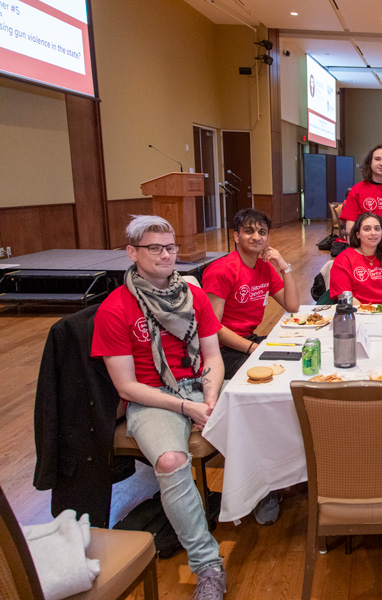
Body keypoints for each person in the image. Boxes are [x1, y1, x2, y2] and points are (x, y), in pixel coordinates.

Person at [91, 215, 227, 599]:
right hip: (153, 397)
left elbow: (213, 357)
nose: (166, 255)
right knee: (170, 461)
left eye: (170, 247)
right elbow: (126, 386)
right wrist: (187, 407)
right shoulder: (115, 308)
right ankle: (208, 565)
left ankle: (265, 496)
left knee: (264, 411)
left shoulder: (193, 295)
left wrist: (210, 399)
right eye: (155, 248)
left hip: (201, 387)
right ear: (132, 253)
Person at [203, 209, 300, 380]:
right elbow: (213, 327)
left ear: (267, 238)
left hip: (248, 339)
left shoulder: (264, 267)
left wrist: (285, 267)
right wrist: (254, 348)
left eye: (262, 232)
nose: (256, 237)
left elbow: (292, 306)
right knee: (279, 373)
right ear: (236, 236)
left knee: (300, 350)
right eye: (249, 231)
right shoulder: (221, 270)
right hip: (221, 351)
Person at [330, 213, 382, 304]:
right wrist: (367, 310)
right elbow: (345, 295)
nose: (373, 233)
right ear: (358, 234)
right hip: (357, 310)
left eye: (377, 229)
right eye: (367, 229)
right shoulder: (344, 260)